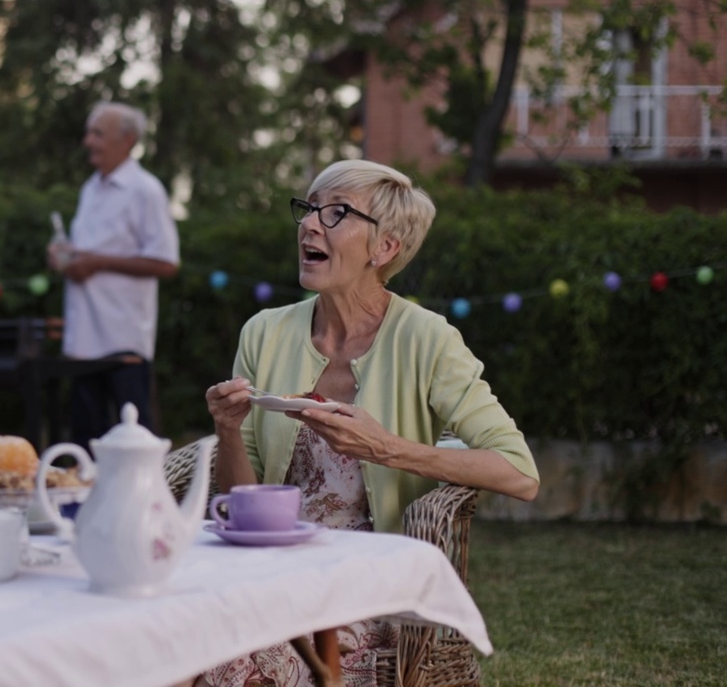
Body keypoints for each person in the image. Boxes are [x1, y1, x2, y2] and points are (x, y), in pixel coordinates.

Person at [197, 160, 540, 687]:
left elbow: (520, 473)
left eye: (336, 214)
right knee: (167, 640)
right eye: (309, 210)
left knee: (226, 658)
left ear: (384, 250)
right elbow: (243, 501)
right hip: (266, 571)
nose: (310, 225)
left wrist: (387, 448)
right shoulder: (264, 333)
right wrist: (226, 428)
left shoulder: (427, 338)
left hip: (364, 587)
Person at [50, 101, 180, 445]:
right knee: (84, 446)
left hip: (124, 343)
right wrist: (64, 257)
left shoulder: (145, 190)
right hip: (83, 342)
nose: (88, 142)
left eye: (97, 134)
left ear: (128, 141)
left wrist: (96, 263)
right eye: (88, 133)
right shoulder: (90, 188)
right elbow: (87, 252)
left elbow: (167, 263)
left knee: (134, 448)